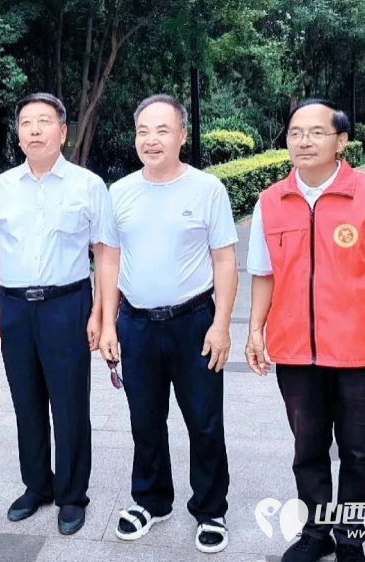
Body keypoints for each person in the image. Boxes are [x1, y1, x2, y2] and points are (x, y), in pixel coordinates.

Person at [245, 99, 365, 562]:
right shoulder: (270, 202)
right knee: (308, 449)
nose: (304, 141)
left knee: (358, 452)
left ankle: (351, 537)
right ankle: (316, 532)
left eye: (317, 132)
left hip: (359, 353)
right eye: (295, 132)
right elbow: (264, 273)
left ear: (341, 141)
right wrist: (255, 330)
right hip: (295, 353)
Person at [99, 94, 239, 554]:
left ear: (182, 135)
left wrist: (222, 324)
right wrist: (108, 324)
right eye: (143, 130)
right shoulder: (119, 192)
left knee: (204, 420)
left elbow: (225, 261)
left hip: (193, 322)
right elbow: (109, 262)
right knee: (144, 419)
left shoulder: (207, 189)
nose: (151, 139)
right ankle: (151, 500)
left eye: (162, 130)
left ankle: (211, 508)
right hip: (136, 324)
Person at [0, 92, 108, 536]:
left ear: (63, 131)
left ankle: (72, 495)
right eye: (26, 123)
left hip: (67, 305)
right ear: (18, 134)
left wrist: (100, 313)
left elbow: (104, 252)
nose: (34, 130)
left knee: (69, 403)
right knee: (26, 400)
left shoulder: (88, 185)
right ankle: (37, 485)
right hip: (14, 307)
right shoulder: (1, 187)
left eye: (44, 121)